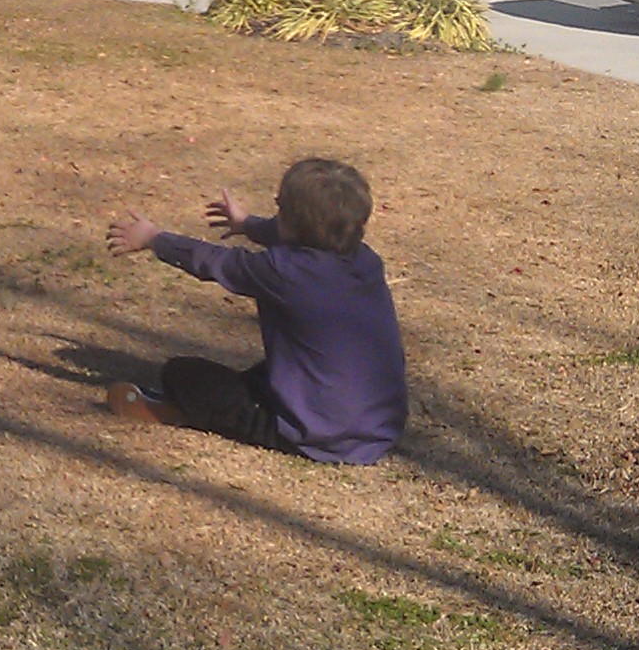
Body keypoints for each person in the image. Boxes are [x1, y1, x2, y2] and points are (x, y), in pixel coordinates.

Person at [99, 159, 410, 465]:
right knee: (271, 372)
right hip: (379, 426)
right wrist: (247, 224)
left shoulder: (284, 272)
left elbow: (215, 262)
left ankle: (179, 410)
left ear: (291, 219)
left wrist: (154, 239)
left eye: (280, 208)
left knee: (183, 375)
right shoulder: (365, 260)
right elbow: (304, 236)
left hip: (315, 434)